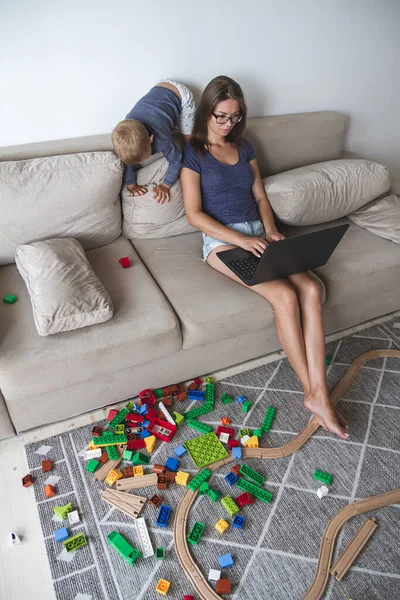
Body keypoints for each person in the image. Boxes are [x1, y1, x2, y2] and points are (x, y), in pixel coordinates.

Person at [181, 75, 349, 440]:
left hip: (259, 234)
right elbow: (194, 215)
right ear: (207, 113)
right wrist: (241, 239)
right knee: (285, 296)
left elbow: (259, 196)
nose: (229, 124)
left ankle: (318, 391)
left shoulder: (245, 148)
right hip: (222, 242)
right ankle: (314, 395)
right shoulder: (193, 153)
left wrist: (270, 230)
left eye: (235, 117)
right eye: (221, 117)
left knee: (310, 290)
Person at [112, 80, 196, 204]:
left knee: (190, 142)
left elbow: (176, 160)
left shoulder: (162, 139)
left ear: (151, 140)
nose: (140, 162)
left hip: (180, 95)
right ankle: (170, 119)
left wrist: (166, 185)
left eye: (140, 159)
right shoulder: (126, 134)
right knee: (169, 123)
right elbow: (127, 162)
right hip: (158, 91)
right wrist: (132, 185)